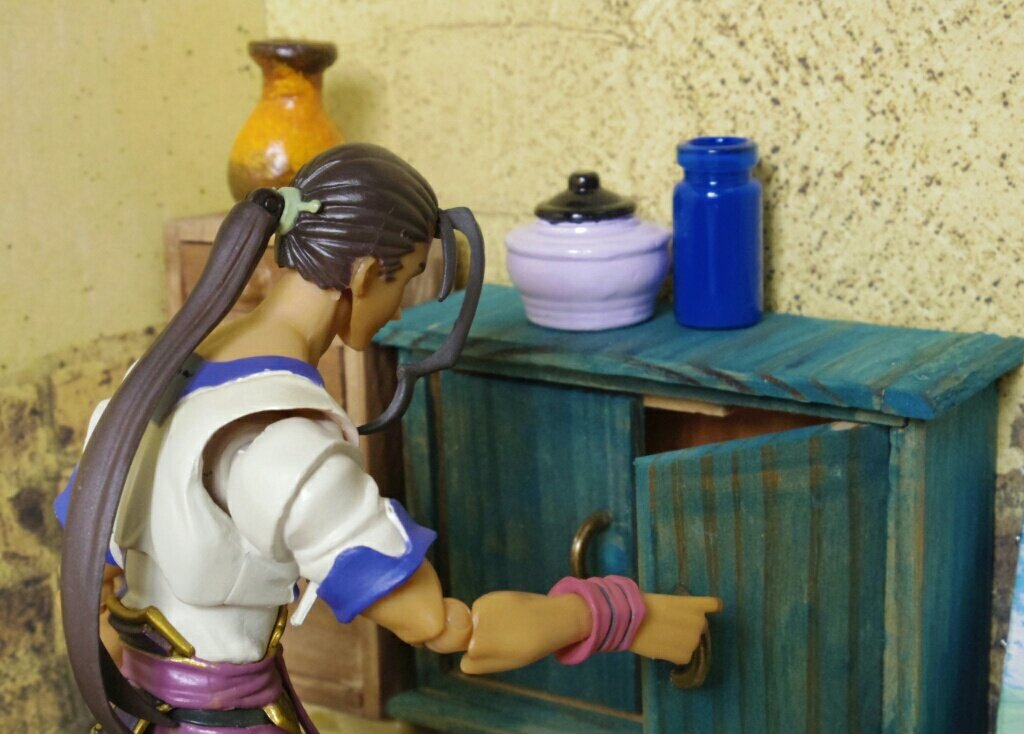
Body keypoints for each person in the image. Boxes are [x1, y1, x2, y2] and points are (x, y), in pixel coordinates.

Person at [59, 144, 720, 734]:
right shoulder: (286, 446)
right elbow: (446, 627)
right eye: (404, 282)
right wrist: (618, 614)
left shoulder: (150, 379)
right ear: (366, 276)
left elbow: (95, 572)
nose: (398, 308)